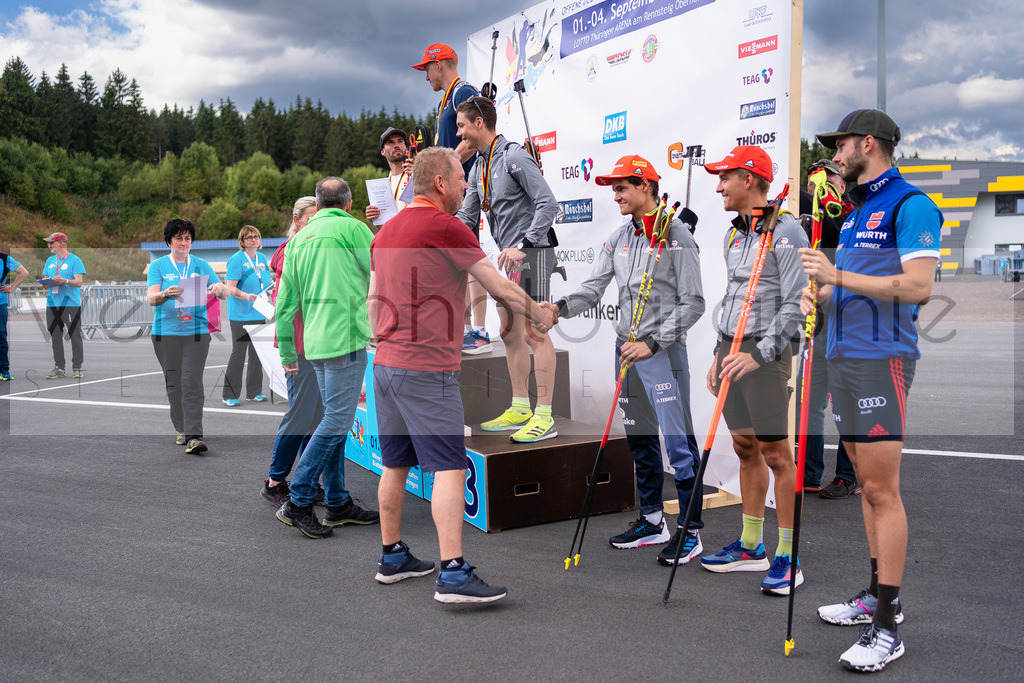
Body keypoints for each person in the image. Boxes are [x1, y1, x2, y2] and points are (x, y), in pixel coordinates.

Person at [369, 146, 556, 602]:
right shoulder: (446, 225)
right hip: (425, 369)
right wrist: (537, 312)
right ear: (439, 183)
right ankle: (452, 572)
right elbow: (497, 285)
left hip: (386, 364)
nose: (465, 188)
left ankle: (392, 556)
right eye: (460, 181)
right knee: (450, 467)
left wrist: (388, 338)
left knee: (395, 463)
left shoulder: (384, 232)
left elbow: (373, 302)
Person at [801, 109, 942, 673]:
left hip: (882, 361)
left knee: (882, 490)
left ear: (868, 143)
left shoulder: (910, 205)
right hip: (843, 359)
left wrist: (836, 277)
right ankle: (879, 595)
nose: (835, 155)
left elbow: (918, 288)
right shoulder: (857, 211)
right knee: (864, 484)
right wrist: (823, 299)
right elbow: (853, 293)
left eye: (840, 145)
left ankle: (887, 627)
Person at [546, 155, 707, 565]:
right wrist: (558, 308)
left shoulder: (678, 236)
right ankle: (653, 521)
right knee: (639, 437)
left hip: (662, 354)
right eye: (613, 188)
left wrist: (653, 342)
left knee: (679, 443)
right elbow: (594, 287)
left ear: (646, 187)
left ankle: (690, 533)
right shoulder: (619, 237)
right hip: (625, 353)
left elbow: (694, 303)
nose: (615, 194)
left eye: (622, 187)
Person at [699, 145, 809, 595]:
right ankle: (750, 546)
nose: (718, 186)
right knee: (745, 447)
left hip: (764, 355)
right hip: (731, 348)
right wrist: (717, 350)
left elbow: (796, 305)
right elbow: (734, 297)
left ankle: (788, 555)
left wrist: (758, 355)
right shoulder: (735, 234)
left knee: (777, 454)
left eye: (725, 178)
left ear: (749, 179)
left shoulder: (787, 233)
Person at [274, 177, 379, 539]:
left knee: (331, 420)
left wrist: (288, 350)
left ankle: (336, 501)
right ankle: (299, 499)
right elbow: (382, 272)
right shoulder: (354, 229)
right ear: (348, 204)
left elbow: (284, 304)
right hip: (345, 340)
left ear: (318, 206)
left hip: (314, 345)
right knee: (336, 421)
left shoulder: (298, 240)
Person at [454, 96, 559, 443]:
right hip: (508, 258)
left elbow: (548, 203)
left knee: (534, 331)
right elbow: (466, 219)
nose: (459, 133)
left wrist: (525, 245)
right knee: (509, 332)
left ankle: (544, 415)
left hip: (534, 252)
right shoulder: (478, 167)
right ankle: (519, 406)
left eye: (461, 125)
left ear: (479, 123)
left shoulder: (513, 155)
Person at [411, 42, 489, 354]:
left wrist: (446, 168)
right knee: (457, 261)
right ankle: (467, 327)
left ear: (439, 64)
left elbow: (475, 137)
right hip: (451, 191)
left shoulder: (462, 92)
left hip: (464, 190)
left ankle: (480, 331)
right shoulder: (448, 99)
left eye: (426, 68)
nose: (425, 76)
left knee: (471, 257)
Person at [797, 159, 860, 499]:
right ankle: (808, 473)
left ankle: (849, 476)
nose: (816, 193)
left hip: (847, 319)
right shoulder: (806, 216)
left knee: (844, 402)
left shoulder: (852, 213)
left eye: (823, 183)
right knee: (809, 399)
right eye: (811, 187)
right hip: (816, 321)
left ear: (838, 182)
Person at [262, 196, 326, 507]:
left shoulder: (303, 249)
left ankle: (305, 481)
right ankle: (276, 481)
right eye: (310, 218)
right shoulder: (290, 252)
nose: (315, 223)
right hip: (301, 345)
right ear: (297, 220)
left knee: (312, 417)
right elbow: (284, 306)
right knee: (300, 416)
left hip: (312, 343)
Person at [146, 219, 229, 454]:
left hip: (197, 333)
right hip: (165, 333)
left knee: (191, 381)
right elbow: (151, 298)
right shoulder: (159, 266)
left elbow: (224, 292)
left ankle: (194, 436)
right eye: (179, 238)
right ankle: (181, 428)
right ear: (169, 241)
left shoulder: (201, 264)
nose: (184, 243)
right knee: (174, 384)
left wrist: (219, 289)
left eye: (187, 238)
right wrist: (164, 293)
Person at [223, 225, 272, 406]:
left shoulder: (261, 258)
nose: (254, 239)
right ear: (243, 241)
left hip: (259, 310)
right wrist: (246, 296)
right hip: (240, 314)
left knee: (257, 353)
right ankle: (230, 394)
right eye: (250, 237)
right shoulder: (236, 260)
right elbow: (231, 287)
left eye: (256, 236)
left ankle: (254, 391)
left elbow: (262, 281)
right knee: (239, 353)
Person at [40, 233, 86, 379]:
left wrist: (65, 281)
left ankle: (77, 367)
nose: (49, 246)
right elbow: (45, 280)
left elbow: (79, 282)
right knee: (55, 336)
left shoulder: (75, 260)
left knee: (74, 335)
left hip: (70, 304)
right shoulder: (49, 261)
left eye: (51, 243)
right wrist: (45, 282)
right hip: (52, 305)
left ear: (61, 243)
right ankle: (59, 367)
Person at [365, 126, 414, 224]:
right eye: (390, 142)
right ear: (383, 152)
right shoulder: (382, 186)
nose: (396, 145)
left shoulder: (416, 175)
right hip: (395, 237)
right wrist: (373, 217)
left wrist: (418, 176)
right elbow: (383, 228)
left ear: (405, 147)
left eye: (400, 141)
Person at [0, 249, 30, 381]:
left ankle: (4, 369)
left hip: (0, 304)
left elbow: (24, 272)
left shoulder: (4, 259)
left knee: (1, 337)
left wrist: (12, 288)